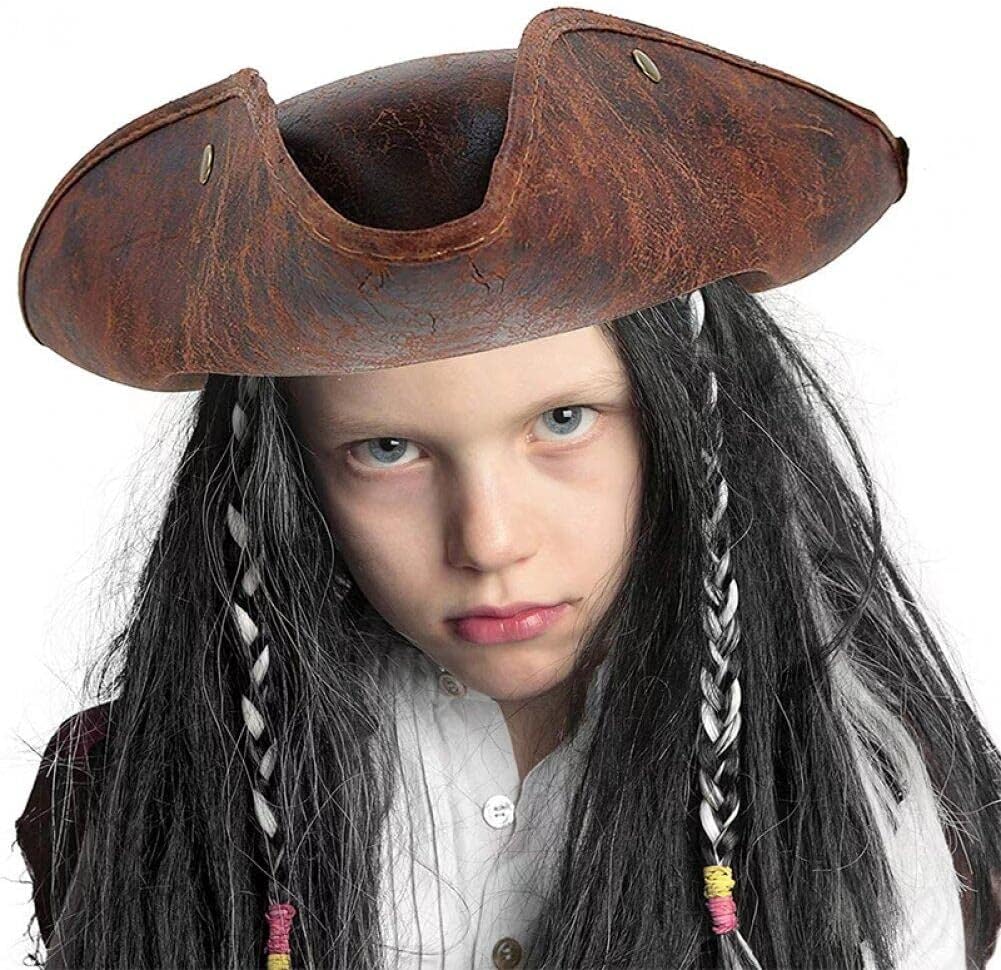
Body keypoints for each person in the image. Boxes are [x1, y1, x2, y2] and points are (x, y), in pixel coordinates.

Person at [13, 6, 1001, 969]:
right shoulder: (139, 808)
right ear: (285, 477)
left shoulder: (867, 796)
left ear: (688, 423)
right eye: (387, 449)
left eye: (563, 422)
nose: (487, 541)